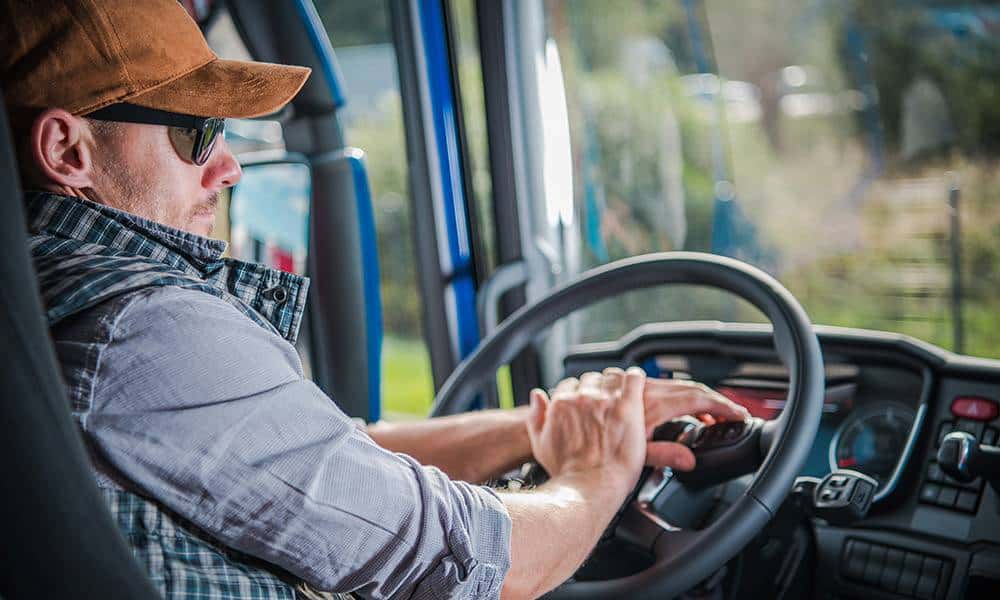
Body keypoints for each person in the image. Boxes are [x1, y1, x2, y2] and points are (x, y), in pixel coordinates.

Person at [1, 1, 749, 598]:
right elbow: (486, 564)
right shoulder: (141, 325)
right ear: (68, 149)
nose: (228, 167)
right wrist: (599, 472)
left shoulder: (40, 298)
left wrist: (537, 426)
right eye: (199, 132)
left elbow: (324, 457)